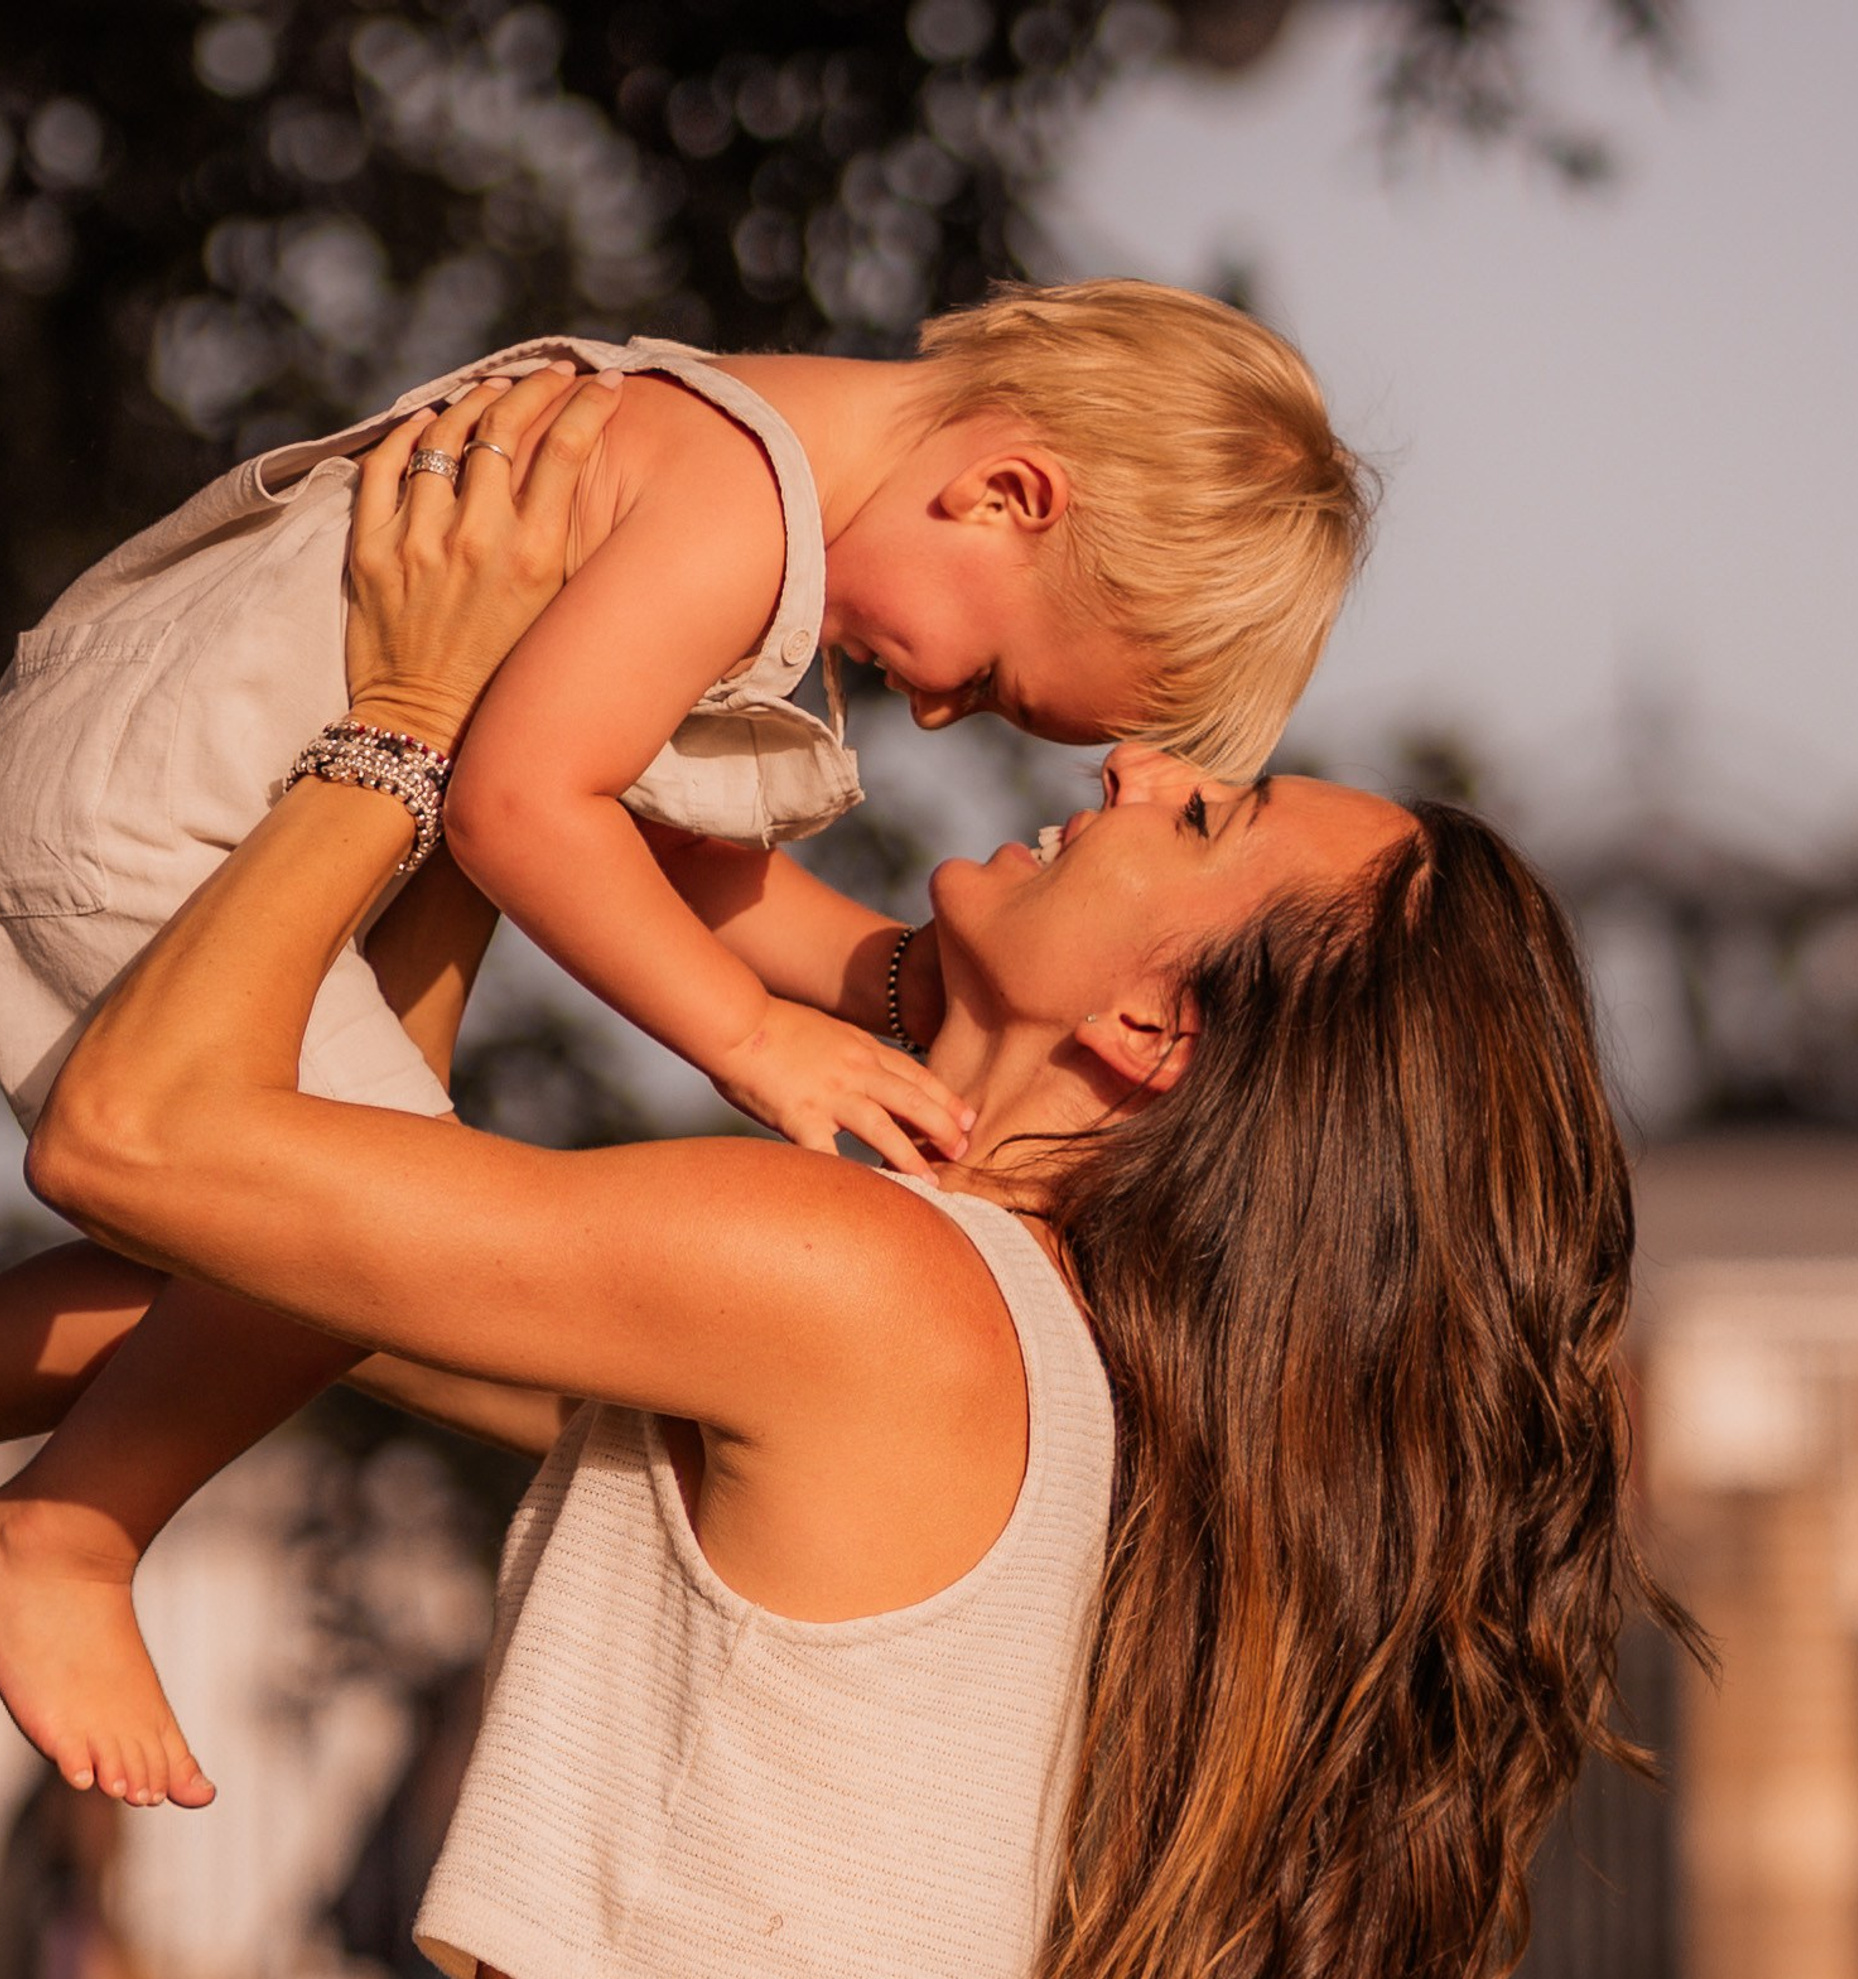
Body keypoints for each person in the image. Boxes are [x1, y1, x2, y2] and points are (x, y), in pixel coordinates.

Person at [30, 370, 1677, 1979]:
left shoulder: (863, 1289)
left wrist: (398, 722)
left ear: (1153, 1030)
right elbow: (284, 1271)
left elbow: (135, 1133)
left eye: (1212, 816)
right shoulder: (946, 1327)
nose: (1138, 760)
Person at [0, 279, 1371, 1816]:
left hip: (137, 757)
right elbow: (522, 810)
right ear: (1004, 497)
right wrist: (751, 1041)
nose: (928, 715)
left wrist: (894, 985)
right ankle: (72, 1528)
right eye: (983, 682)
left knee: (298, 1255)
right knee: (362, 1222)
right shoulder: (732, 503)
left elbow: (684, 856)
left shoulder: (732, 454)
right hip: (154, 819)